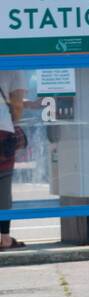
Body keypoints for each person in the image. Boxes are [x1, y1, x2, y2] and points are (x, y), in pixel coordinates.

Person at [0, 70, 27, 250]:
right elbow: (17, 105)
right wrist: (15, 120)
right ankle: (4, 238)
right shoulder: (14, 69)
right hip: (2, 131)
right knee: (3, 185)